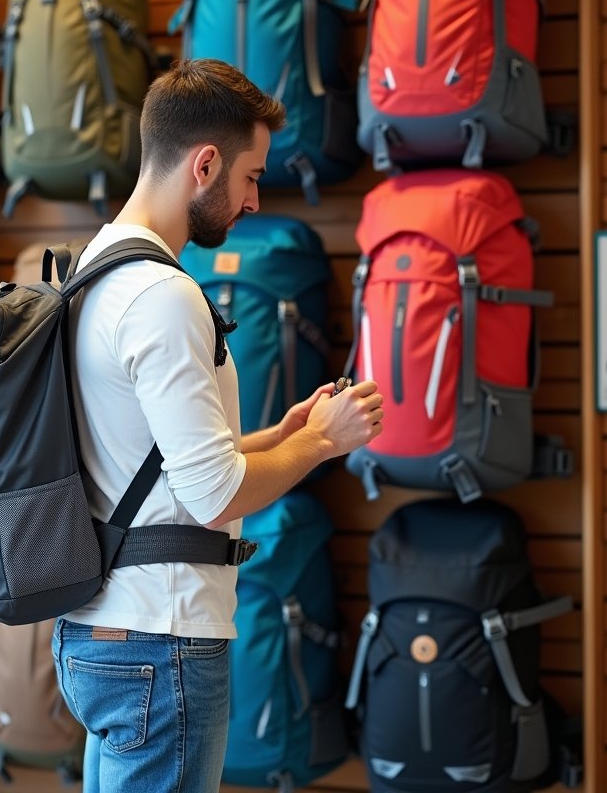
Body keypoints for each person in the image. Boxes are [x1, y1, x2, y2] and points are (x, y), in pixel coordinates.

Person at [52, 58, 383, 793]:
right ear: (204, 165)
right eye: (250, 176)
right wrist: (324, 441)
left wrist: (283, 435)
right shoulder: (162, 297)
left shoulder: (96, 268)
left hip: (101, 630)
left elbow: (152, 462)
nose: (255, 201)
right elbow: (211, 495)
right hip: (161, 641)